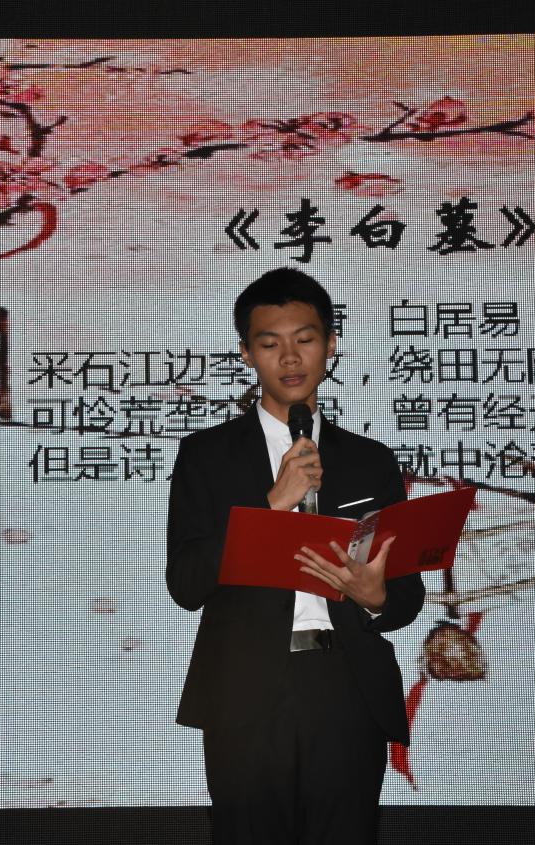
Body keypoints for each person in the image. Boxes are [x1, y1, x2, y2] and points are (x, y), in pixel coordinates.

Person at [166, 267, 425, 844]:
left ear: (331, 345)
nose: (289, 357)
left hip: (347, 687)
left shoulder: (370, 461)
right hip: (244, 689)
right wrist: (271, 505)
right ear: (246, 353)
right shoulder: (206, 456)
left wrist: (375, 597)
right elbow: (186, 583)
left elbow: (405, 596)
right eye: (269, 343)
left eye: (305, 339)